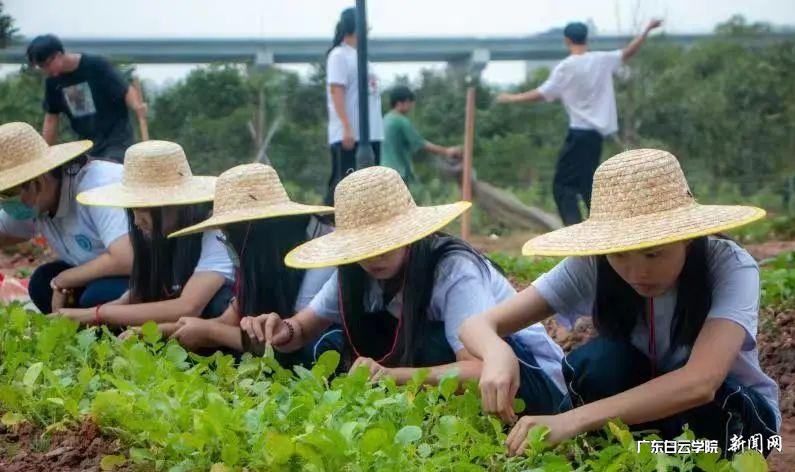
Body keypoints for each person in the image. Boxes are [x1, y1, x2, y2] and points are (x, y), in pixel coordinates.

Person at [460, 149, 780, 457]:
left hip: (729, 425)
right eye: (620, 255)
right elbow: (476, 325)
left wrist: (573, 420)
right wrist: (497, 352)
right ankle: (633, 455)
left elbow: (701, 382)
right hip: (645, 430)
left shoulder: (729, 266)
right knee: (600, 364)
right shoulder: (592, 264)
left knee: (709, 419)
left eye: (653, 254)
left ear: (687, 237)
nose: (637, 272)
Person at [241, 166, 568, 415]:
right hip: (470, 380)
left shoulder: (452, 270)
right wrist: (280, 330)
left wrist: (393, 376)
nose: (375, 256)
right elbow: (303, 328)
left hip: (530, 382)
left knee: (432, 341)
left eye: (386, 242)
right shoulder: (353, 272)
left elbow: (480, 368)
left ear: (410, 235)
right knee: (335, 341)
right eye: (363, 247)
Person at [162, 163, 339, 368]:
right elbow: (226, 321)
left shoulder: (320, 253)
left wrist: (210, 333)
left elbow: (294, 340)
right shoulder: (267, 259)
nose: (227, 244)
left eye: (228, 237)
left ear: (251, 236)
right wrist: (151, 331)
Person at [497, 20, 663, 226]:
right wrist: (646, 30)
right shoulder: (601, 60)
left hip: (579, 133)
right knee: (587, 183)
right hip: (596, 136)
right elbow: (629, 52)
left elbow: (542, 93)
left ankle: (575, 229)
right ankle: (603, 226)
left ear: (567, 40)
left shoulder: (566, 67)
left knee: (562, 185)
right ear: (586, 39)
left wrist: (511, 98)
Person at [54, 140, 234, 326]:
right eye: (132, 210)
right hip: (181, 326)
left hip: (217, 324)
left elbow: (188, 306)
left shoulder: (212, 229)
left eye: (142, 210)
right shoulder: (157, 235)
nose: (137, 221)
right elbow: (139, 292)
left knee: (216, 302)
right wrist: (85, 314)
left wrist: (96, 315)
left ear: (173, 202)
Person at [0, 122, 132, 313]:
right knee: (42, 282)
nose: (4, 202)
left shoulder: (97, 185)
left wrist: (67, 278)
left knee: (96, 296)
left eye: (6, 194)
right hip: (98, 273)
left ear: (37, 183)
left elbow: (126, 258)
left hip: (149, 272)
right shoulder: (38, 201)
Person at [26, 34, 147, 163]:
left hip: (116, 141)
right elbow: (51, 119)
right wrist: (44, 156)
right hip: (88, 146)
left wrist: (137, 106)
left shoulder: (96, 65)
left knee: (108, 170)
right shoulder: (53, 82)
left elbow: (126, 90)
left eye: (46, 65)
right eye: (41, 67)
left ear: (58, 55)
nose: (46, 70)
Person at [324, 7, 384, 205]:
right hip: (351, 135)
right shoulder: (339, 55)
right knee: (344, 188)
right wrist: (346, 126)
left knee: (368, 192)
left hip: (371, 133)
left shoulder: (360, 56)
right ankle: (326, 221)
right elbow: (336, 91)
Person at [381, 85, 462, 185]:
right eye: (409, 102)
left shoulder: (386, 119)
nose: (411, 105)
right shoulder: (401, 121)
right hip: (398, 173)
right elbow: (421, 144)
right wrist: (446, 151)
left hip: (384, 172)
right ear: (399, 103)